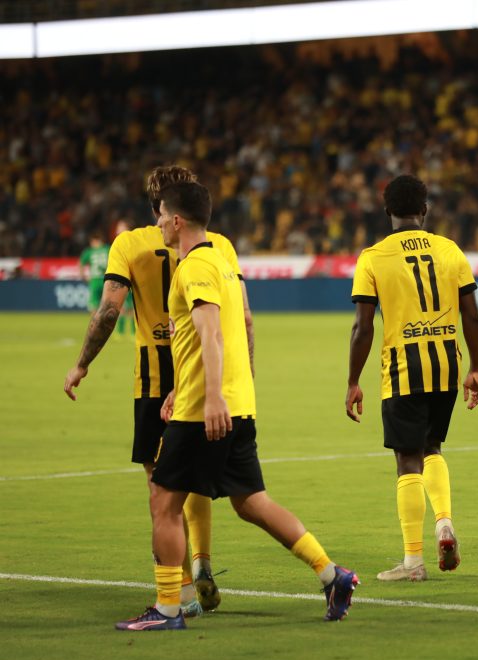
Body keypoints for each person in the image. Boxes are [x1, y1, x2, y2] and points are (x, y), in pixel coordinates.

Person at [116, 181, 357, 630]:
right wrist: (183, 388)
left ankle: (168, 609)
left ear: (177, 220)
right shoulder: (221, 263)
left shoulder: (194, 267)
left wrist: (208, 397)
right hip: (235, 403)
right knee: (251, 502)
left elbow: (211, 333)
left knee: (164, 503)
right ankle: (331, 574)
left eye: (162, 215)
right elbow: (229, 327)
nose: (158, 223)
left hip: (204, 411)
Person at [64, 166, 253, 616]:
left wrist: (82, 363)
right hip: (207, 370)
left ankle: (179, 591)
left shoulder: (129, 244)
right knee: (198, 476)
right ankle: (202, 562)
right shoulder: (219, 244)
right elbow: (244, 319)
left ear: (158, 206)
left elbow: (109, 312)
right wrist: (240, 378)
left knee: (162, 488)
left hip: (154, 376)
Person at [346, 174, 478, 582]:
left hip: (403, 369)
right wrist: (476, 367)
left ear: (387, 210)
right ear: (424, 210)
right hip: (446, 364)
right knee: (433, 447)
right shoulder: (449, 249)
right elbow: (471, 316)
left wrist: (353, 380)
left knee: (407, 459)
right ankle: (444, 522)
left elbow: (363, 327)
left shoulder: (373, 257)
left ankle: (412, 561)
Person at [79, 231, 109, 314]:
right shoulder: (108, 249)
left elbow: (81, 263)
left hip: (95, 280)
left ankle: (95, 321)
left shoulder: (89, 251)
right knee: (109, 305)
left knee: (94, 306)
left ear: (94, 240)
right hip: (107, 280)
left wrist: (83, 276)